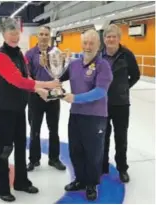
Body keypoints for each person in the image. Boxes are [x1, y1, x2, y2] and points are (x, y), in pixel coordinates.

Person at [0, 18, 61, 202]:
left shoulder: (19, 54)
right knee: (4, 148)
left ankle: (21, 181)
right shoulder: (0, 57)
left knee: (21, 146)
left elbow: (26, 76)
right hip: (4, 110)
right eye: (11, 33)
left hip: (19, 108)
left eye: (17, 33)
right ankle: (1, 187)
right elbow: (18, 81)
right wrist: (46, 84)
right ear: (4, 34)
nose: (15, 36)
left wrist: (38, 90)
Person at [46, 29, 112, 201]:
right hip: (76, 115)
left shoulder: (103, 65)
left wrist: (76, 97)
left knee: (93, 153)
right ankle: (80, 180)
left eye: (92, 43)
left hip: (95, 117)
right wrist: (50, 71)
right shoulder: (74, 64)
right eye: (85, 43)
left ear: (98, 45)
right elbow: (58, 77)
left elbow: (100, 91)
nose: (88, 46)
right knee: (76, 150)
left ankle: (91, 184)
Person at [101, 24, 140, 182]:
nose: (111, 39)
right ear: (104, 39)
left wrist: (124, 88)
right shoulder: (99, 55)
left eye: (113, 36)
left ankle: (122, 168)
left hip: (121, 104)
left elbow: (135, 75)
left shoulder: (127, 55)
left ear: (119, 38)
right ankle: (102, 165)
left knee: (121, 137)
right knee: (103, 136)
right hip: (102, 103)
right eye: (108, 36)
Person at [25, 26, 66, 172]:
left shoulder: (56, 53)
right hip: (35, 96)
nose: (43, 37)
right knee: (34, 129)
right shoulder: (29, 54)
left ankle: (54, 159)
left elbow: (60, 74)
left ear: (50, 36)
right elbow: (27, 76)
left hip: (53, 96)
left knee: (53, 129)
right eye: (41, 34)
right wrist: (38, 88)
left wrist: (62, 62)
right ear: (37, 36)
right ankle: (33, 160)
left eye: (46, 34)